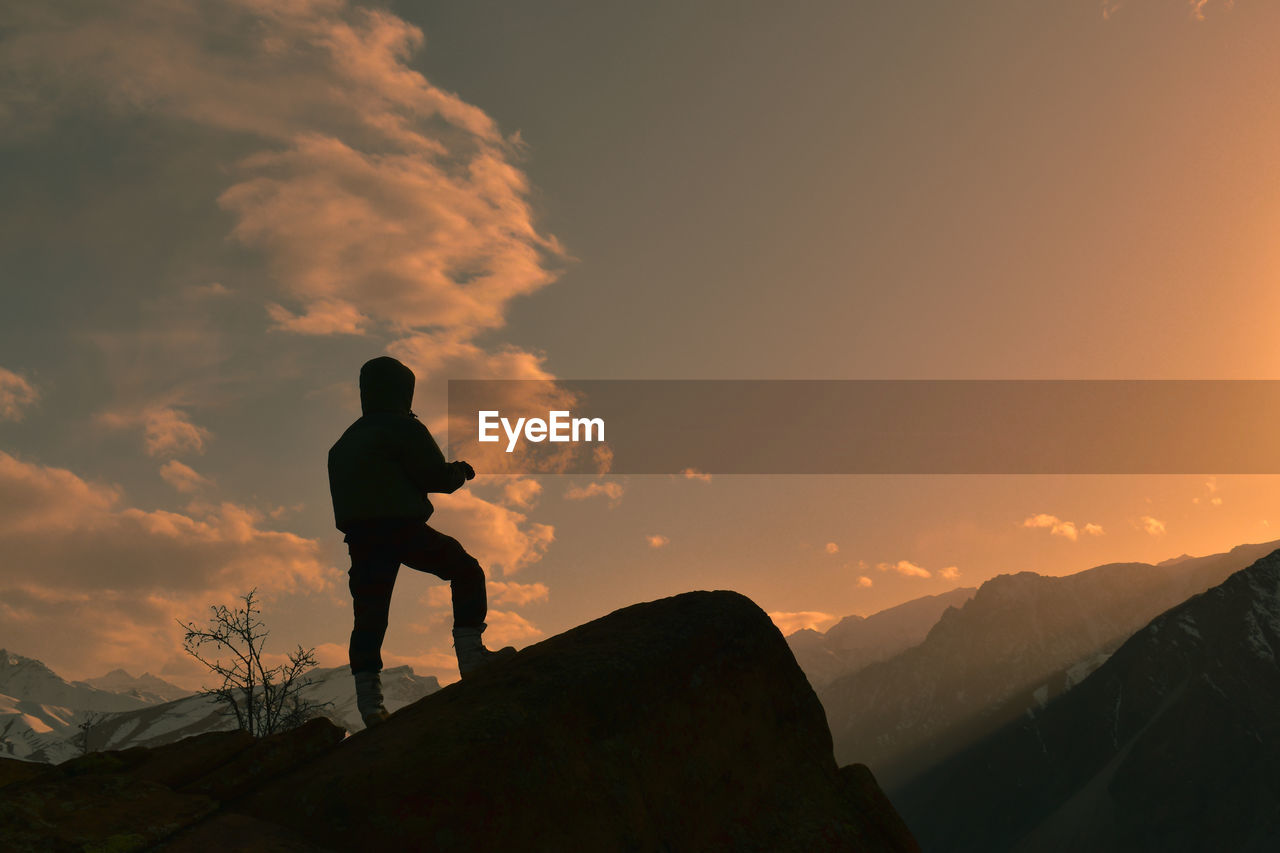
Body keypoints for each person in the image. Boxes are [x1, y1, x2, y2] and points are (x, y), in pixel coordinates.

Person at [328, 356, 516, 729]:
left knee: (369, 617)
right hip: (402, 529)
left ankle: (370, 704)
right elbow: (437, 477)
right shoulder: (403, 427)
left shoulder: (344, 442)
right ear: (404, 390)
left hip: (361, 539)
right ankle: (472, 660)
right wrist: (460, 471)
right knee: (465, 569)